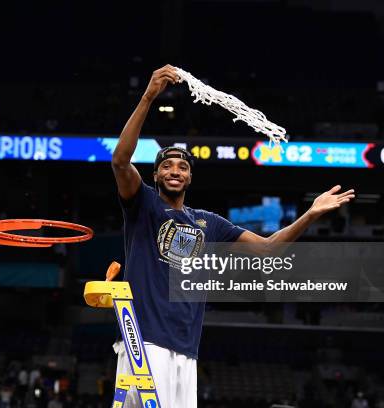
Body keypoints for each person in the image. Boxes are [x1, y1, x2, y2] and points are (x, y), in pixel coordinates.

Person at [111, 64, 356, 407]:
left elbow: (270, 249)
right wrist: (149, 96)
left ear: (190, 178)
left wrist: (310, 214)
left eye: (182, 166)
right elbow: (121, 162)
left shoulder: (209, 222)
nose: (175, 170)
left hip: (187, 350)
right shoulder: (144, 204)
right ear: (155, 175)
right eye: (167, 165)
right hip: (147, 342)